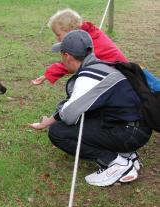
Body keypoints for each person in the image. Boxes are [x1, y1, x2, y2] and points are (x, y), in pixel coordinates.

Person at [34, 30, 152, 186]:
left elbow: (69, 115)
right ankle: (127, 155)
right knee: (84, 118)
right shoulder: (101, 66)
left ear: (67, 56)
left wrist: (52, 122)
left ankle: (116, 163)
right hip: (136, 129)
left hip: (129, 133)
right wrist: (49, 120)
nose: (61, 59)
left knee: (58, 132)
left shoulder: (88, 76)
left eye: (61, 55)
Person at [31, 8, 127, 86]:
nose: (57, 38)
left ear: (70, 30)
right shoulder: (85, 36)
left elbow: (72, 62)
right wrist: (47, 75)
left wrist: (49, 74)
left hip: (119, 78)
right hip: (110, 74)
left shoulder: (89, 42)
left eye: (58, 35)